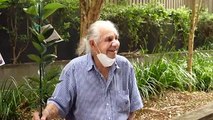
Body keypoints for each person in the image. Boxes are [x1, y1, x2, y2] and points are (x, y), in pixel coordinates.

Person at [33, 20, 143, 120]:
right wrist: (46, 113)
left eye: (116, 38)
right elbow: (58, 103)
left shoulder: (125, 67)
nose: (115, 44)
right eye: (109, 39)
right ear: (93, 44)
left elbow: (132, 109)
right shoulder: (74, 69)